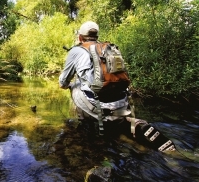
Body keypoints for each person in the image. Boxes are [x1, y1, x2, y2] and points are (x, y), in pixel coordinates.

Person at [59, 21, 175, 152]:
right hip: (121, 101)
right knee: (116, 116)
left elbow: (63, 82)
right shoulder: (107, 48)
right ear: (97, 36)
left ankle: (88, 124)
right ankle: (126, 123)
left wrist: (69, 85)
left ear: (80, 37)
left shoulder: (76, 51)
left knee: (75, 85)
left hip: (97, 104)